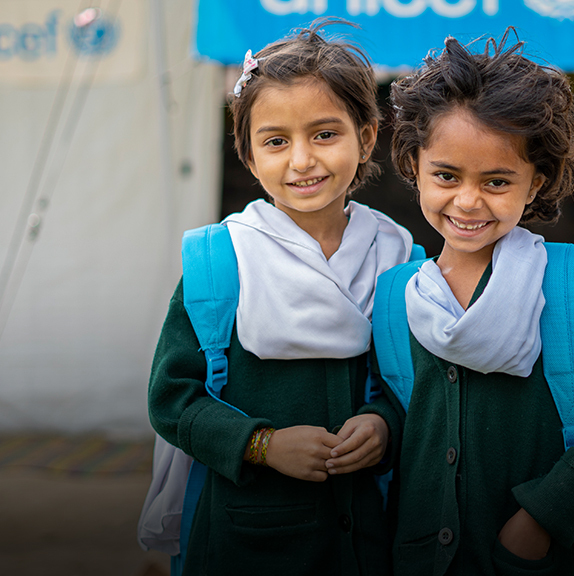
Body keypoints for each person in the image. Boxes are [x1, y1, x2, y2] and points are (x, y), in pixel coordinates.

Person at [330, 30, 574, 575]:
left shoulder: (570, 285)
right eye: (446, 175)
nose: (467, 200)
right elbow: (403, 400)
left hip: (543, 558)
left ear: (537, 183)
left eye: (497, 181)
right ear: (413, 167)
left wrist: (542, 518)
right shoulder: (395, 295)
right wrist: (379, 424)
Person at [148, 20, 414, 575]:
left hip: (371, 540)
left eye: (324, 134)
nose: (301, 160)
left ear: (366, 136)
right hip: (245, 543)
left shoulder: (399, 261)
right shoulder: (220, 264)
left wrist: (384, 422)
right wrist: (262, 445)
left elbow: (416, 385)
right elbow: (173, 400)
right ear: (247, 154)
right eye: (275, 141)